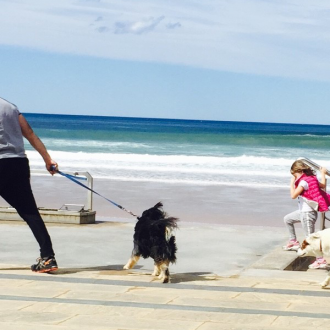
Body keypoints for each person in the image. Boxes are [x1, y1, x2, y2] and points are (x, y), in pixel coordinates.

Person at [0, 96, 58, 273]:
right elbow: (30, 133)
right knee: (30, 212)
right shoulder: (9, 107)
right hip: (17, 163)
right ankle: (48, 257)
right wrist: (47, 159)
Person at [283, 160, 330, 269]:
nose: (294, 177)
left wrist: (291, 184)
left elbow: (293, 195)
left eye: (294, 175)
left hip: (307, 214)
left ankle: (320, 260)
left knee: (310, 238)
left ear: (298, 171)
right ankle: (293, 241)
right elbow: (322, 185)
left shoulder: (303, 182)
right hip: (302, 212)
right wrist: (322, 173)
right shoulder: (311, 179)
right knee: (288, 219)